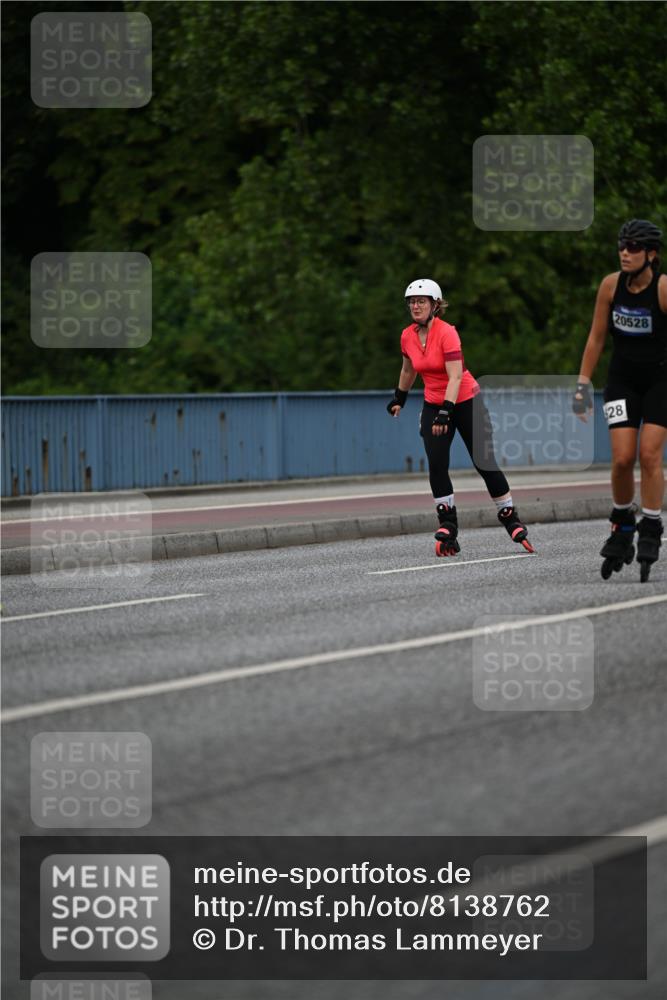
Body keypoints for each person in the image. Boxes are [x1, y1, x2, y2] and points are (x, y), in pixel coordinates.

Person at [386, 278, 533, 556]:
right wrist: (399, 398)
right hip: (433, 403)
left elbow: (455, 376)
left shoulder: (447, 333)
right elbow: (409, 370)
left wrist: (447, 411)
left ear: (435, 305)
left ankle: (510, 518)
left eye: (421, 301)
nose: (415, 306)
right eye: (411, 302)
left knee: (484, 462)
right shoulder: (407, 336)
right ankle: (448, 526)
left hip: (465, 400)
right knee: (437, 463)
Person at [573, 219, 666, 582]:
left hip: (660, 382)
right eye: (622, 247)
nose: (625, 253)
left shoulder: (662, 289)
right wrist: (582, 384)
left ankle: (652, 524)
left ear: (651, 255)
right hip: (622, 382)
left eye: (634, 248)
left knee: (649, 455)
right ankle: (623, 522)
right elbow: (596, 339)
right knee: (623, 458)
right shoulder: (610, 286)